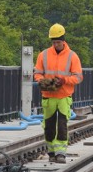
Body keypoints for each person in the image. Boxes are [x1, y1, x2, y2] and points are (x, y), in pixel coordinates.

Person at [33, 24, 83, 163]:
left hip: (63, 97)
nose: (56, 44)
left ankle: (61, 153)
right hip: (48, 96)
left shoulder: (72, 56)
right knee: (49, 126)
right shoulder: (43, 55)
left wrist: (64, 80)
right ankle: (51, 152)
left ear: (63, 40)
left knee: (61, 125)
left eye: (58, 42)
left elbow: (78, 77)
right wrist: (43, 81)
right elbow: (37, 73)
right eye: (53, 42)